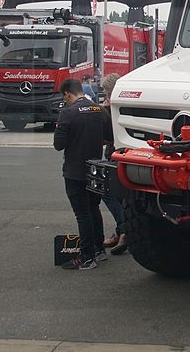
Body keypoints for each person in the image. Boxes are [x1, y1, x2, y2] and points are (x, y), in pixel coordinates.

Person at [54, 78, 112, 270]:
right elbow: (110, 137)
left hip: (75, 170)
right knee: (94, 208)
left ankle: (86, 257)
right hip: (95, 169)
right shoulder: (99, 110)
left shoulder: (67, 113)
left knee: (82, 214)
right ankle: (99, 250)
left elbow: (58, 144)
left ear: (67, 94)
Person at [99, 72, 128, 255]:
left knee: (107, 192)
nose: (106, 97)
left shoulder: (111, 109)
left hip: (115, 154)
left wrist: (105, 109)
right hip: (124, 153)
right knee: (122, 195)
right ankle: (121, 231)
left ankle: (124, 229)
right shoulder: (124, 105)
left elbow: (106, 136)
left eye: (107, 93)